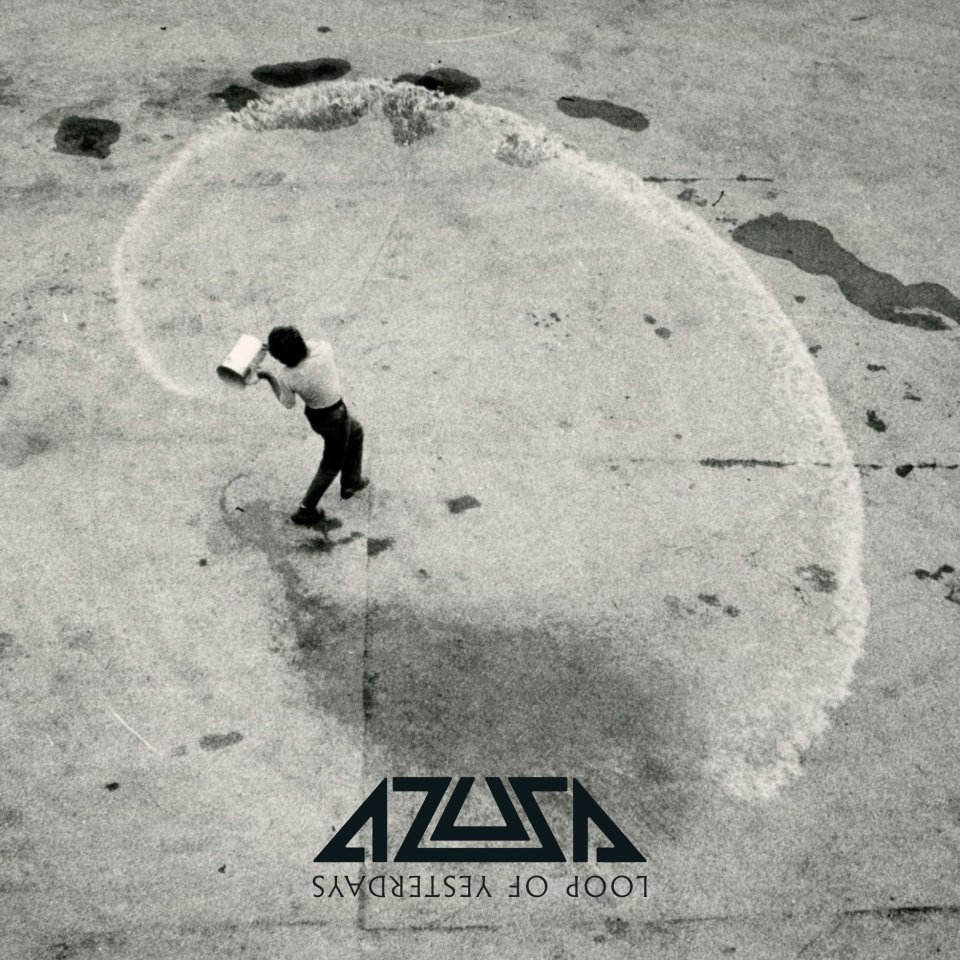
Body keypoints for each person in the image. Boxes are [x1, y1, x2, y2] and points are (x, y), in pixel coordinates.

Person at [255, 326, 367, 525]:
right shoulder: (324, 350)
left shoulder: (286, 376)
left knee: (356, 432)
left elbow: (288, 403)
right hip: (336, 415)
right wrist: (279, 347)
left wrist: (268, 377)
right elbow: (308, 345)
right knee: (331, 464)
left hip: (317, 416)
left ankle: (352, 481)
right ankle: (305, 510)